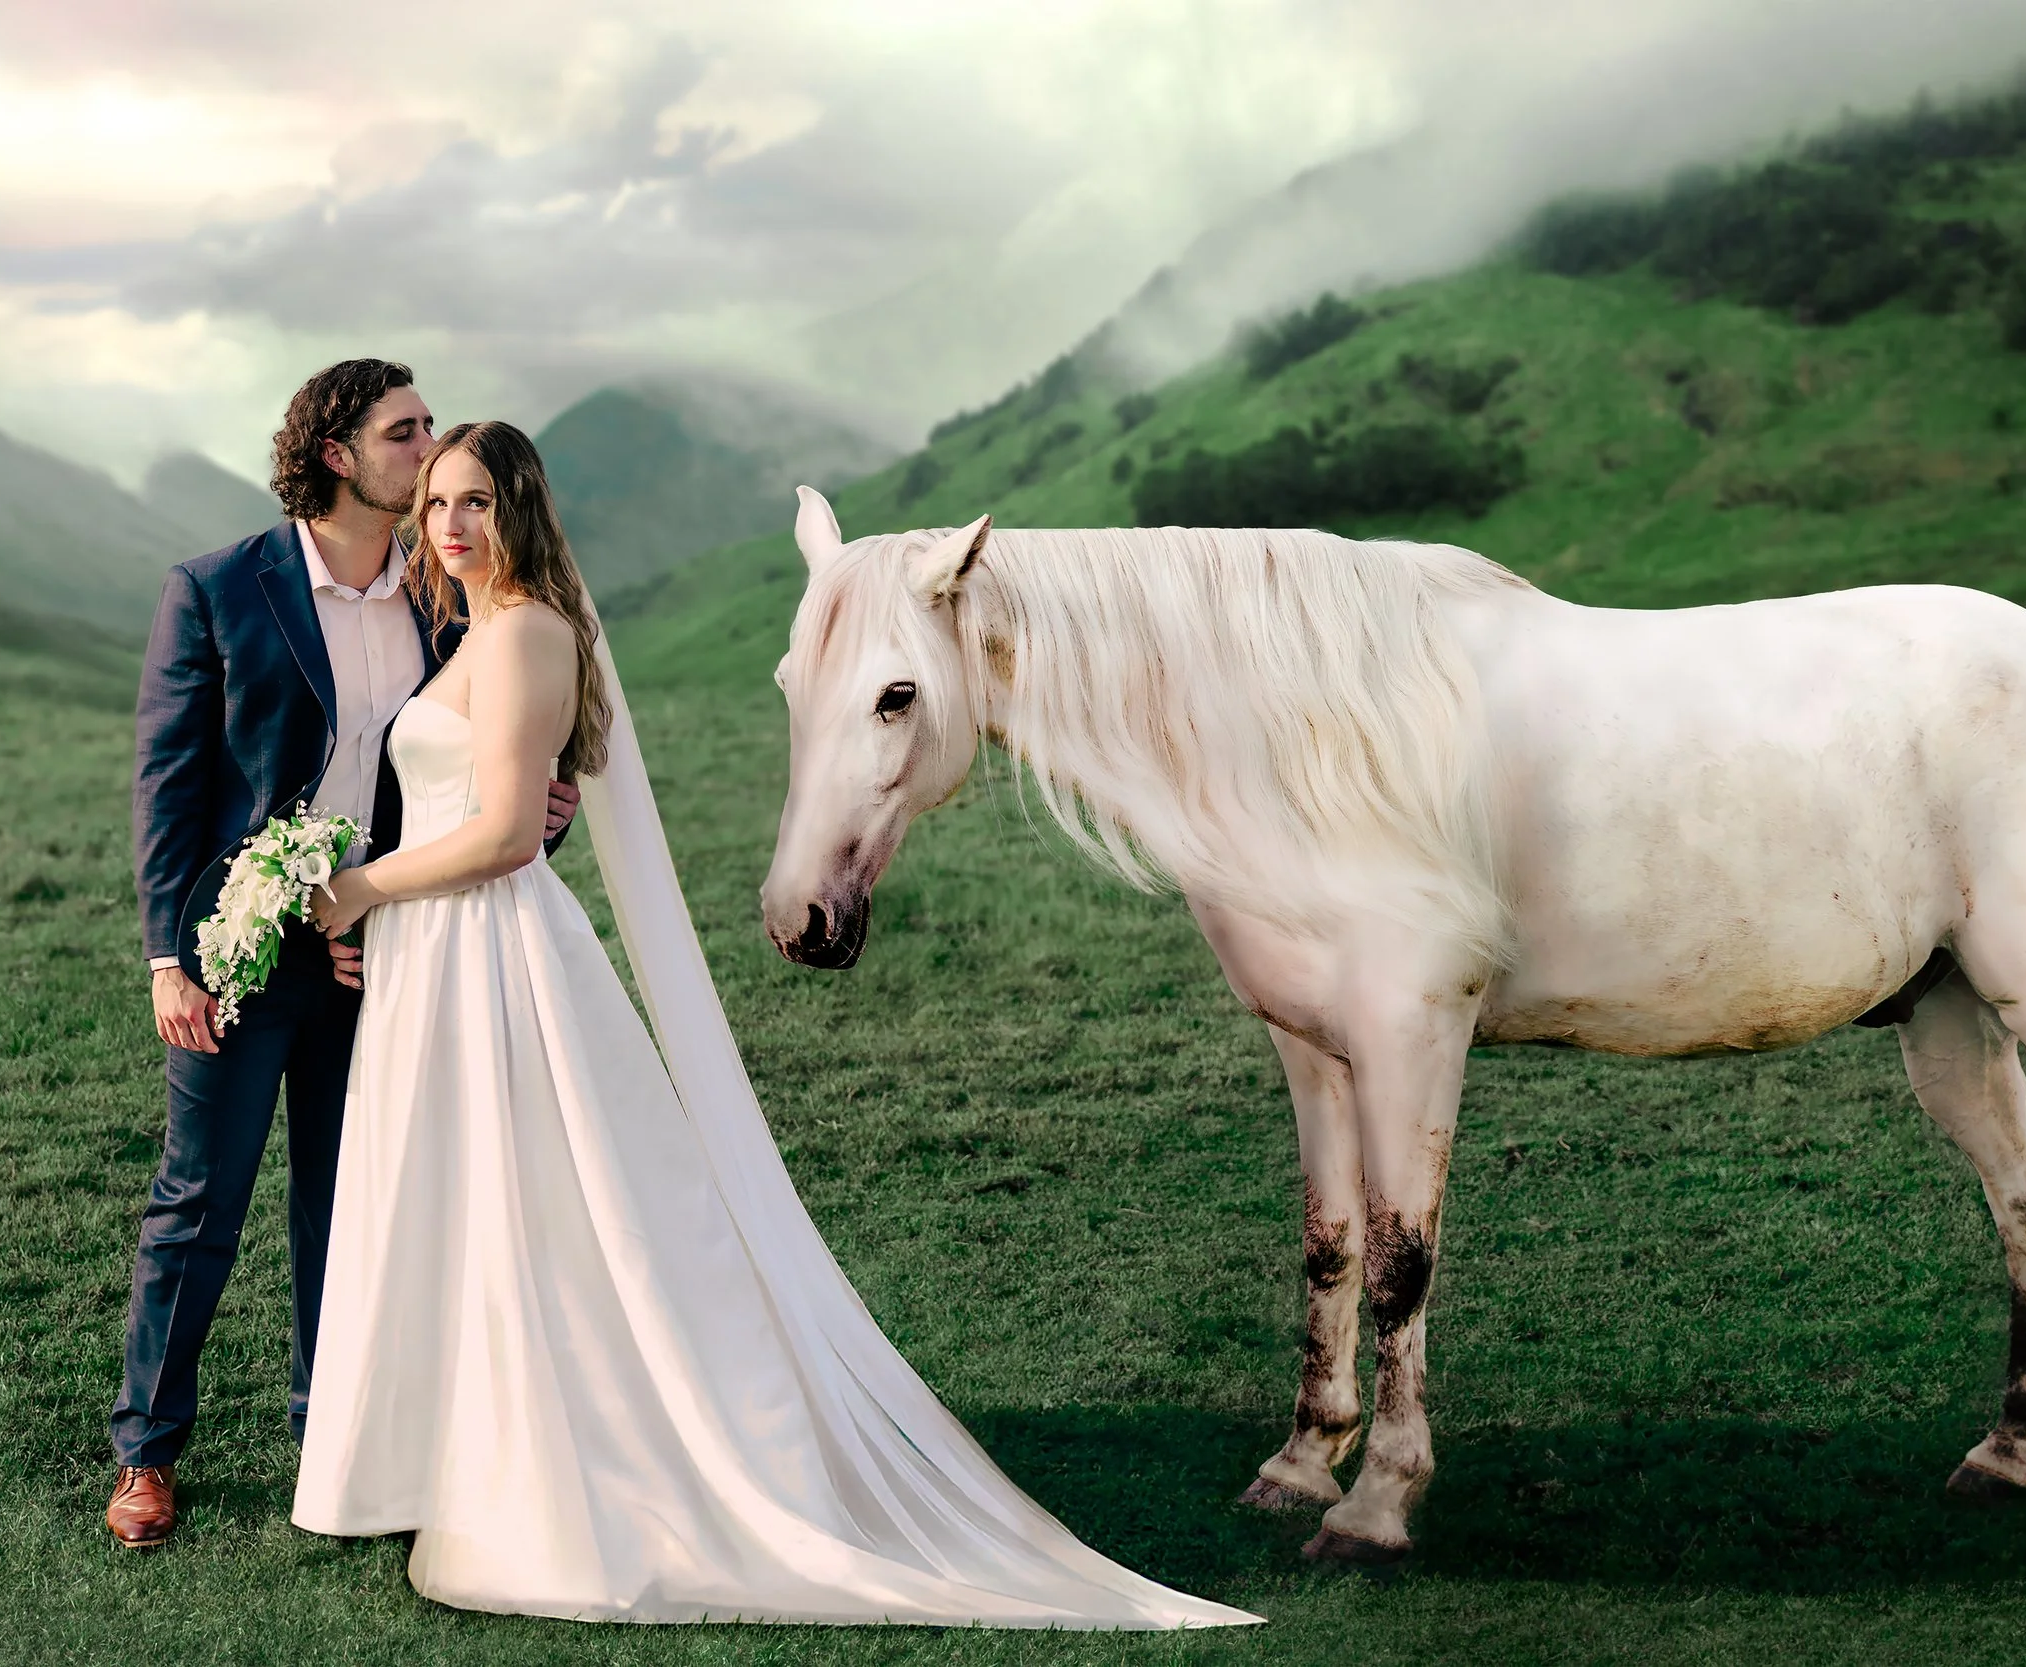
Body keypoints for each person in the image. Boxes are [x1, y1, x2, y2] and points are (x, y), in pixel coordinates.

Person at [293, 422, 1255, 1628]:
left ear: (521, 510)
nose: (451, 524)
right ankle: (451, 1448)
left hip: (488, 948)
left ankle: (575, 1465)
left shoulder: (531, 630)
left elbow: (499, 834)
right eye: (437, 500)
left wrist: (363, 885)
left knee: (530, 1199)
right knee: (465, 1195)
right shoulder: (476, 631)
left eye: (477, 500)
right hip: (435, 953)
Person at [114, 363, 579, 1550]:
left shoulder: (444, 593)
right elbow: (169, 790)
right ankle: (147, 1453)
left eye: (431, 431)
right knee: (199, 1198)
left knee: (352, 1194)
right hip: (238, 946)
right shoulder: (219, 590)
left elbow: (485, 745)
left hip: (383, 946)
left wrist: (535, 802)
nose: (429, 452)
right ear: (337, 453)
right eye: (404, 432)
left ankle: (333, 1426)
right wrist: (173, 959)